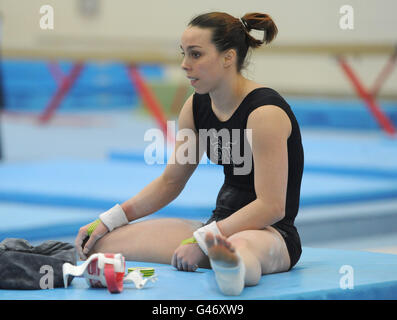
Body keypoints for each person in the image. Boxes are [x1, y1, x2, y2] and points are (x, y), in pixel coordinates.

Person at [74, 11, 304, 296]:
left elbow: (271, 206)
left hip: (271, 234)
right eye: (183, 54)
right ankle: (221, 257)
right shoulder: (196, 107)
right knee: (102, 244)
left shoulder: (264, 113)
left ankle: (233, 270)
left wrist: (205, 239)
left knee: (241, 249)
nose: (184, 65)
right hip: (215, 226)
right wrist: (111, 219)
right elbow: (170, 182)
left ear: (228, 57)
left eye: (195, 55)